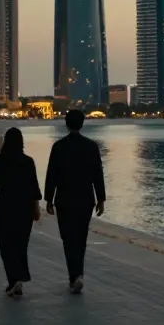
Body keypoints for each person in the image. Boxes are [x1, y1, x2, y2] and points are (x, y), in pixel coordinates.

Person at [44, 109, 106, 295]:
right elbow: (98, 174)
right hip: (85, 199)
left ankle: (74, 277)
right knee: (81, 238)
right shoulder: (91, 146)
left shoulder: (59, 147)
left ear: (66, 123)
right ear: (82, 123)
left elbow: (51, 174)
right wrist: (101, 198)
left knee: (68, 238)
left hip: (64, 200)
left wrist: (48, 199)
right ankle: (78, 275)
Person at [0, 128, 41, 297]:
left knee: (6, 245)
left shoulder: (0, 161)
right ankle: (19, 278)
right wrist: (36, 208)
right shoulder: (28, 161)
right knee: (21, 245)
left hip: (6, 206)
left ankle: (13, 281)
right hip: (24, 207)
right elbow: (34, 187)